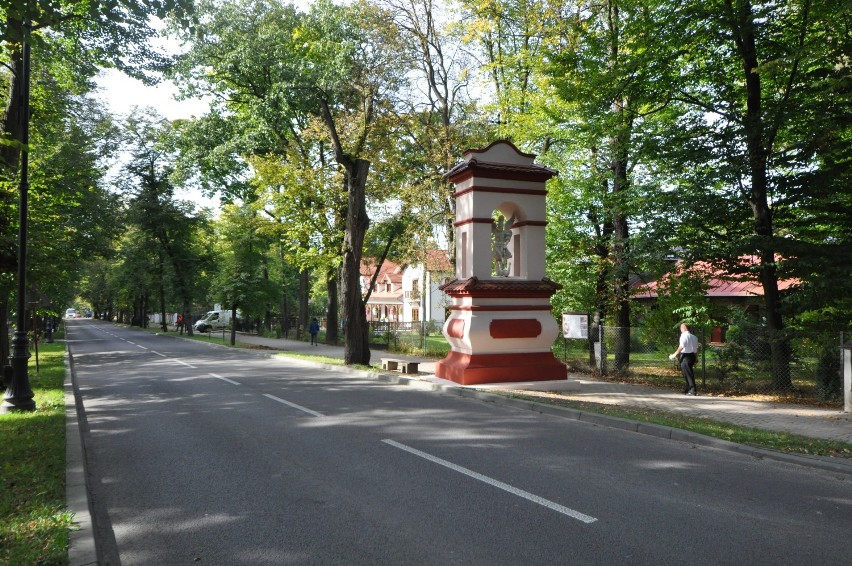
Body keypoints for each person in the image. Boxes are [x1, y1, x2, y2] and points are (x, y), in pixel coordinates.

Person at [669, 323, 699, 395]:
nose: (680, 329)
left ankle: (692, 390)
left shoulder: (683, 336)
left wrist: (674, 354)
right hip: (692, 356)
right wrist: (696, 358)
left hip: (685, 356)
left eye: (681, 328)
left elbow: (682, 346)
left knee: (688, 373)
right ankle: (688, 388)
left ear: (684, 328)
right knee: (687, 373)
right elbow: (696, 349)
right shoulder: (694, 337)